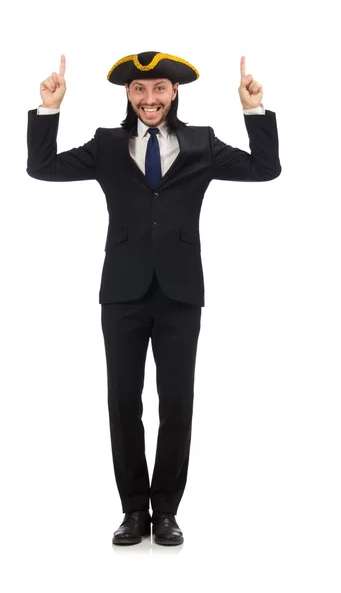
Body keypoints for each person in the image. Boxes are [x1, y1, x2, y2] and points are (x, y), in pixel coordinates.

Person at [26, 50, 281, 546]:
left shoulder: (201, 143)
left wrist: (254, 110)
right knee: (123, 402)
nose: (150, 99)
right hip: (121, 291)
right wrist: (49, 109)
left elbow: (265, 169)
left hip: (181, 291)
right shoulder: (105, 145)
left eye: (159, 88)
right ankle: (131, 511)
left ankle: (165, 510)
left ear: (174, 93)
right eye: (140, 90)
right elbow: (43, 168)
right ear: (128, 95)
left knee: (176, 403)